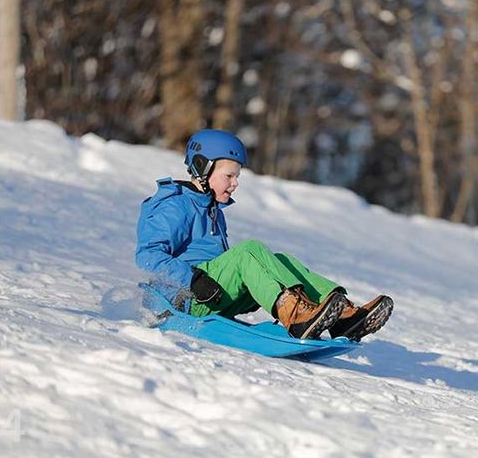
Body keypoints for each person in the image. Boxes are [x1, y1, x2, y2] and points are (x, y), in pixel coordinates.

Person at [135, 129, 393, 340]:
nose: (235, 183)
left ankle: (343, 317)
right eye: (229, 176)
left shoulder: (212, 209)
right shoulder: (174, 205)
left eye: (237, 176)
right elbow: (148, 255)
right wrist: (193, 280)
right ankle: (294, 315)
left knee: (282, 261)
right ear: (203, 167)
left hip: (212, 295)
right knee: (249, 250)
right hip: (183, 301)